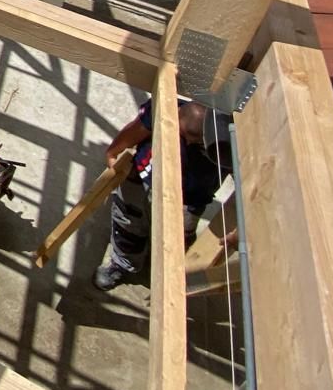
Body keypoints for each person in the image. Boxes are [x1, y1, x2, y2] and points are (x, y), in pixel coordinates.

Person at [93, 97, 231, 292]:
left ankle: (165, 269)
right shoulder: (165, 109)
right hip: (141, 177)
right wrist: (113, 154)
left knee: (175, 239)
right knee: (127, 221)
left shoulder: (226, 145)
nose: (186, 144)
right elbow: (135, 131)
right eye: (183, 137)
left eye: (194, 142)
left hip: (188, 198)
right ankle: (123, 264)